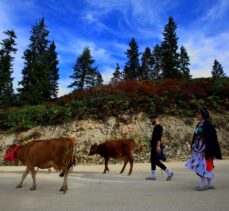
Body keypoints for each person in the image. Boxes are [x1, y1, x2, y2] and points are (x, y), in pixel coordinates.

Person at [185, 108, 222, 191]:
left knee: (206, 165)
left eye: (198, 114)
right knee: (199, 164)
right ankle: (206, 182)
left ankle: (206, 183)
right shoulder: (199, 124)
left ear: (203, 115)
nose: (196, 115)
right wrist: (192, 145)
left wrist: (208, 149)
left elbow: (211, 138)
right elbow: (195, 136)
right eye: (196, 113)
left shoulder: (208, 124)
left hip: (205, 149)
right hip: (198, 148)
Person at [146, 115, 174, 181]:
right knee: (153, 160)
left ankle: (169, 172)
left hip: (156, 145)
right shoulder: (156, 127)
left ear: (155, 119)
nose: (151, 121)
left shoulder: (159, 127)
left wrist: (158, 146)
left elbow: (159, 137)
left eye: (151, 120)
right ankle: (152, 175)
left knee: (156, 161)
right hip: (154, 145)